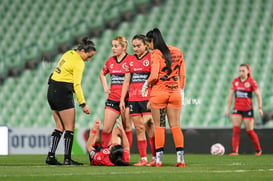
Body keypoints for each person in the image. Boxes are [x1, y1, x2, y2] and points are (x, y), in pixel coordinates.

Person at [46, 37, 96, 165]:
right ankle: (67, 159)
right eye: (89, 56)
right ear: (83, 51)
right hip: (62, 91)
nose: (88, 59)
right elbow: (77, 85)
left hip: (51, 89)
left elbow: (59, 72)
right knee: (69, 128)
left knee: (59, 126)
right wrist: (83, 104)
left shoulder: (68, 53)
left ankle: (51, 156)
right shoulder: (79, 62)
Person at [142, 28, 186, 167]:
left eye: (148, 44)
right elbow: (183, 75)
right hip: (175, 93)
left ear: (152, 41)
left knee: (159, 127)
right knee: (175, 126)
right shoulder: (178, 52)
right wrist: (181, 89)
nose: (148, 48)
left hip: (159, 94)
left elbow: (154, 76)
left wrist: (145, 84)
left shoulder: (155, 54)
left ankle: (159, 160)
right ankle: (180, 159)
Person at [120, 34, 156, 166]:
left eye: (138, 46)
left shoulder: (151, 57)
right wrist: (123, 100)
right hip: (133, 99)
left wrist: (152, 98)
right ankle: (143, 159)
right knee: (139, 129)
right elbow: (127, 80)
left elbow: (155, 79)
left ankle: (155, 158)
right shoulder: (130, 60)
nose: (135, 48)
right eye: (134, 46)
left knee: (150, 127)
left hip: (146, 98)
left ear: (146, 45)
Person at [99, 36, 133, 148]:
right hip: (113, 98)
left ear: (123, 47)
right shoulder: (111, 60)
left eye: (116, 46)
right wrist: (105, 87)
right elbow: (102, 74)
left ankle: (126, 154)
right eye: (112, 46)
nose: (113, 48)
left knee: (127, 128)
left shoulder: (130, 59)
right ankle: (105, 152)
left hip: (127, 100)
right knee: (106, 128)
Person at [226, 63, 263, 155]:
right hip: (237, 109)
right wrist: (228, 109)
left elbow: (258, 95)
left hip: (248, 109)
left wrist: (259, 107)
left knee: (249, 131)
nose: (241, 72)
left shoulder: (251, 82)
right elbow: (230, 96)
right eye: (240, 71)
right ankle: (235, 151)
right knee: (236, 130)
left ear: (247, 72)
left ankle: (258, 150)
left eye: (243, 71)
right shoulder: (235, 82)